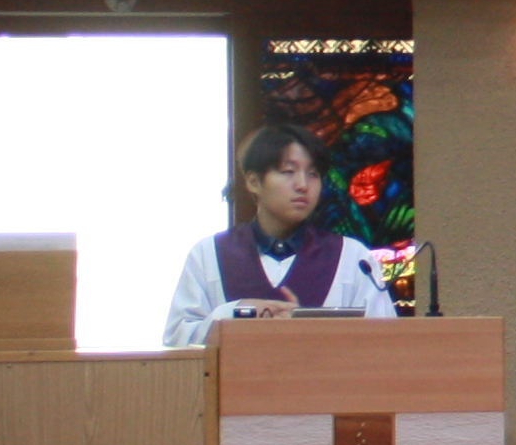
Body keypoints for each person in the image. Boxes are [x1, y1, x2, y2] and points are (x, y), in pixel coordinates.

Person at [160, 119, 396, 346]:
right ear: (253, 182)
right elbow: (177, 340)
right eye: (287, 171)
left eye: (313, 174)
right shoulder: (209, 254)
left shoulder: (353, 258)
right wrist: (235, 312)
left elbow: (385, 343)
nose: (302, 185)